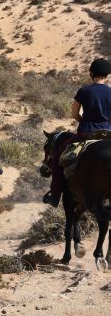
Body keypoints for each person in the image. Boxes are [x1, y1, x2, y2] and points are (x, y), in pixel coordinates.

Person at [43, 58, 111, 207]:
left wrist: (84, 121)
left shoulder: (84, 91)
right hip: (107, 134)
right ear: (106, 74)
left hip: (87, 133)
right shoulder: (110, 92)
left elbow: (74, 113)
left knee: (56, 159)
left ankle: (54, 196)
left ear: (91, 73)